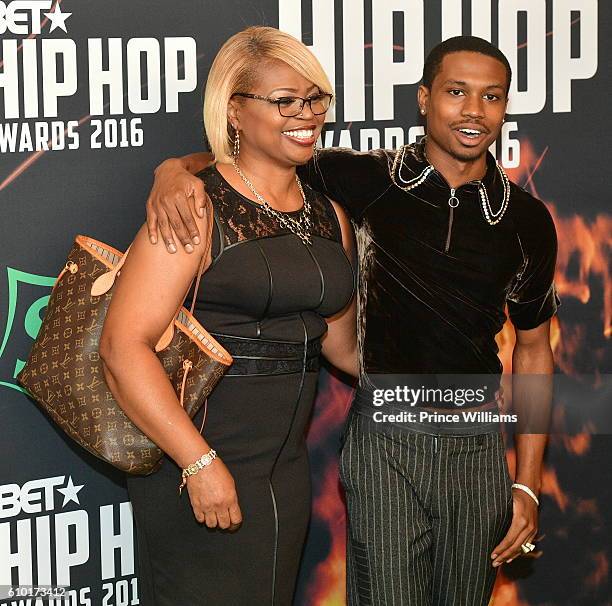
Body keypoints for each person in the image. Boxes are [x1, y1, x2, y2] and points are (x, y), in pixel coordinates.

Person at [145, 36, 558, 605]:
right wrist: (174, 171)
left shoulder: (527, 220)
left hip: (476, 443)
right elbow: (244, 162)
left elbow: (534, 351)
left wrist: (529, 485)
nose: (472, 110)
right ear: (423, 98)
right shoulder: (360, 179)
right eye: (456, 92)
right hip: (383, 436)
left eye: (491, 97)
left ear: (505, 107)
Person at [99, 26, 357, 606]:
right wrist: (199, 463)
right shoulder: (193, 206)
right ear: (234, 111)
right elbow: (123, 346)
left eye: (315, 98)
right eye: (284, 100)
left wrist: (443, 359)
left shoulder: (327, 214)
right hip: (196, 460)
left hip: (283, 474)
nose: (306, 114)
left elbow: (344, 348)